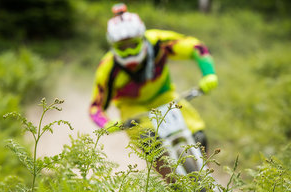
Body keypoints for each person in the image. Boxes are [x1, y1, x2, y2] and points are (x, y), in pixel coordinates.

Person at [89, 3, 218, 176]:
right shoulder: (107, 68)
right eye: (122, 47)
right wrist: (107, 124)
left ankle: (207, 172)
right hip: (132, 109)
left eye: (132, 44)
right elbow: (95, 107)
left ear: (141, 37)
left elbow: (195, 47)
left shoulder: (159, 42)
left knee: (197, 133)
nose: (128, 52)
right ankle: (174, 186)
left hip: (165, 96)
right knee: (148, 142)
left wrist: (209, 74)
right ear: (112, 45)